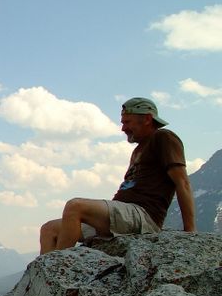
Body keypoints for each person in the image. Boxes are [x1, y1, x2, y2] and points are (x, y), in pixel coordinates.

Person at [39, 97, 196, 254]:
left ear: (147, 119)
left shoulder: (164, 138)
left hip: (142, 216)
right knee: (49, 229)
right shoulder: (138, 150)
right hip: (123, 216)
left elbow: (182, 182)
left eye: (127, 122)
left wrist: (190, 231)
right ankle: (47, 277)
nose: (123, 128)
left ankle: (58, 266)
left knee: (75, 207)